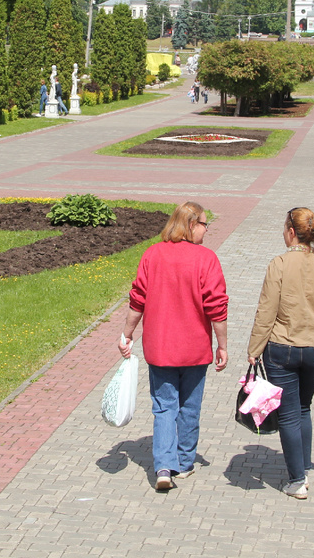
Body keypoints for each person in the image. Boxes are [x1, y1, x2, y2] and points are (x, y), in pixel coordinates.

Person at [120, 202, 228, 491]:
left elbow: (137, 300)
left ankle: (163, 466)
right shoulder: (207, 259)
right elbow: (217, 307)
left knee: (164, 407)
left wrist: (127, 333)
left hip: (160, 347)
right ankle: (184, 462)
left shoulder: (153, 254)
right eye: (205, 224)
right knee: (189, 407)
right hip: (195, 348)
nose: (207, 229)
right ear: (192, 225)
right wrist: (222, 345)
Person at [247, 207, 314, 500]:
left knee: (288, 415)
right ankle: (302, 467)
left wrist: (254, 349)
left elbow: (267, 311)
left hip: (282, 349)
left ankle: (296, 480)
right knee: (303, 408)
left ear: (291, 232)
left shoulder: (278, 264)